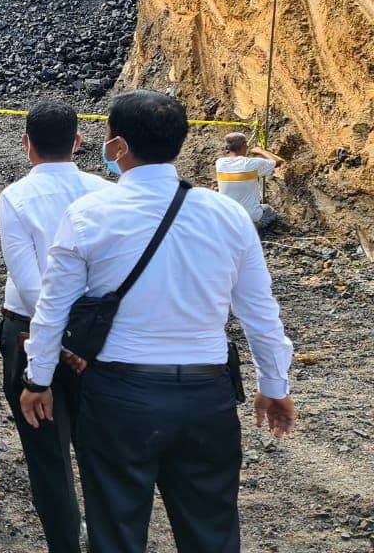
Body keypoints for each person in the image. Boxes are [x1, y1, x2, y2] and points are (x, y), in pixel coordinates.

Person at [20, 90, 296, 553]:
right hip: (208, 397)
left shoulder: (89, 215)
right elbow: (260, 311)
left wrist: (38, 379)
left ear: (118, 147)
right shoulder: (227, 214)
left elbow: (52, 310)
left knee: (116, 532)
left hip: (120, 398)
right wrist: (274, 384)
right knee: (211, 532)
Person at [0, 101, 111, 553]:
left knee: (48, 459)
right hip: (93, 339)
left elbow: (29, 287)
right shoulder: (105, 190)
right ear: (78, 143)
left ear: (27, 145)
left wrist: (51, 344)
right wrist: (76, 340)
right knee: (100, 450)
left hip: (30, 333)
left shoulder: (15, 196)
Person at [216, 132, 282, 230]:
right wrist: (261, 151)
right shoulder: (252, 164)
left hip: (227, 215)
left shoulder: (219, 163)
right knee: (269, 211)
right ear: (243, 145)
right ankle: (252, 229)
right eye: (246, 144)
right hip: (250, 215)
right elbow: (277, 161)